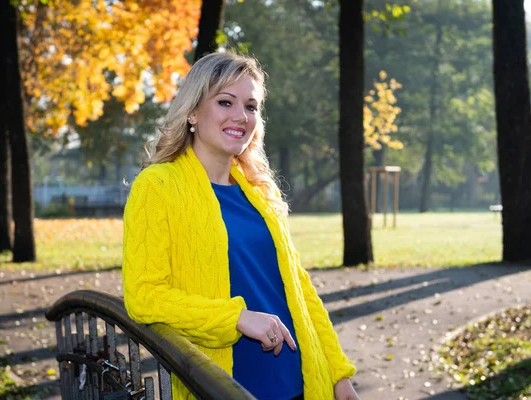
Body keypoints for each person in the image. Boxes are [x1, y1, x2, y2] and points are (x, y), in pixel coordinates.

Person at [122, 51, 359, 400]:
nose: (240, 116)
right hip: (224, 386)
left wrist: (339, 374)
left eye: (251, 106)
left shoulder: (260, 191)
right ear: (192, 112)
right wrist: (237, 318)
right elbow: (144, 296)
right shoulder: (158, 187)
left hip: (304, 383)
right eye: (225, 102)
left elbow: (299, 290)